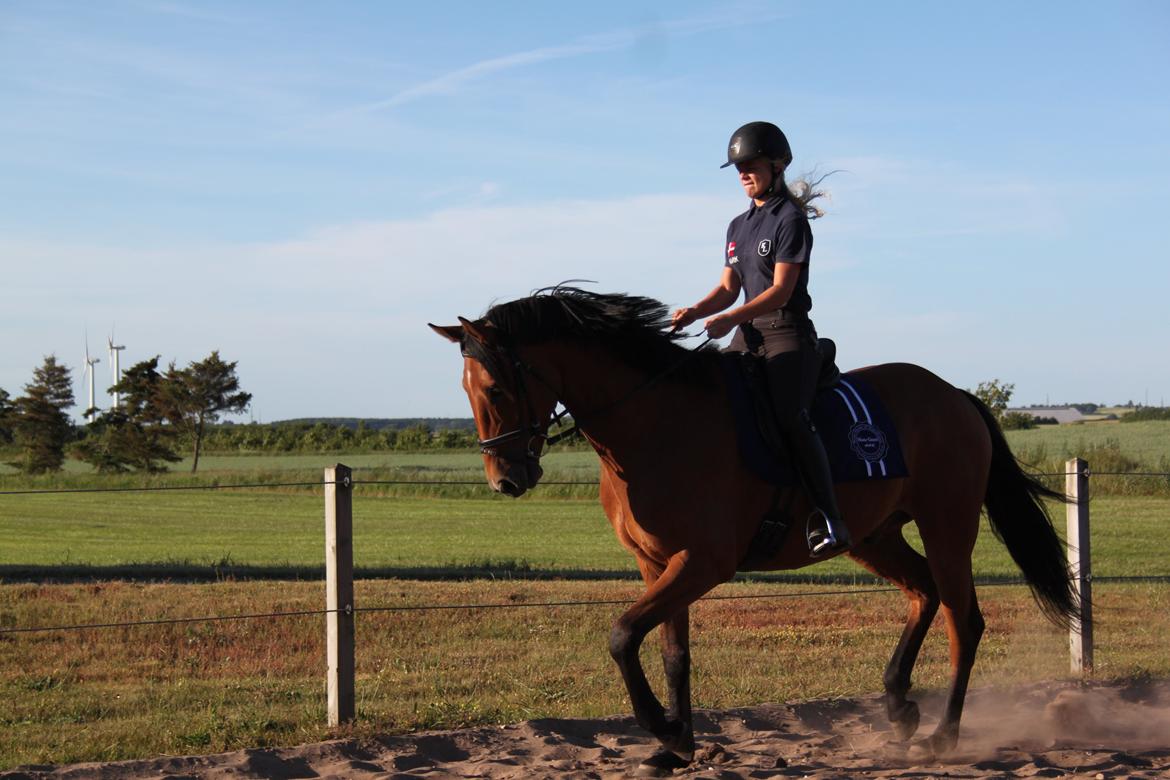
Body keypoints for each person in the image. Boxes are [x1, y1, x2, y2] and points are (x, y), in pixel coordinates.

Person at [671, 121, 852, 557]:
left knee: (790, 415)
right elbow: (728, 287)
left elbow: (781, 290)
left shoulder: (790, 219)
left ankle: (830, 518)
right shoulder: (737, 226)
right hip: (747, 336)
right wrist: (697, 311)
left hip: (787, 333)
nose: (743, 174)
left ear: (776, 165)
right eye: (739, 168)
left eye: (750, 166)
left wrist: (730, 317)